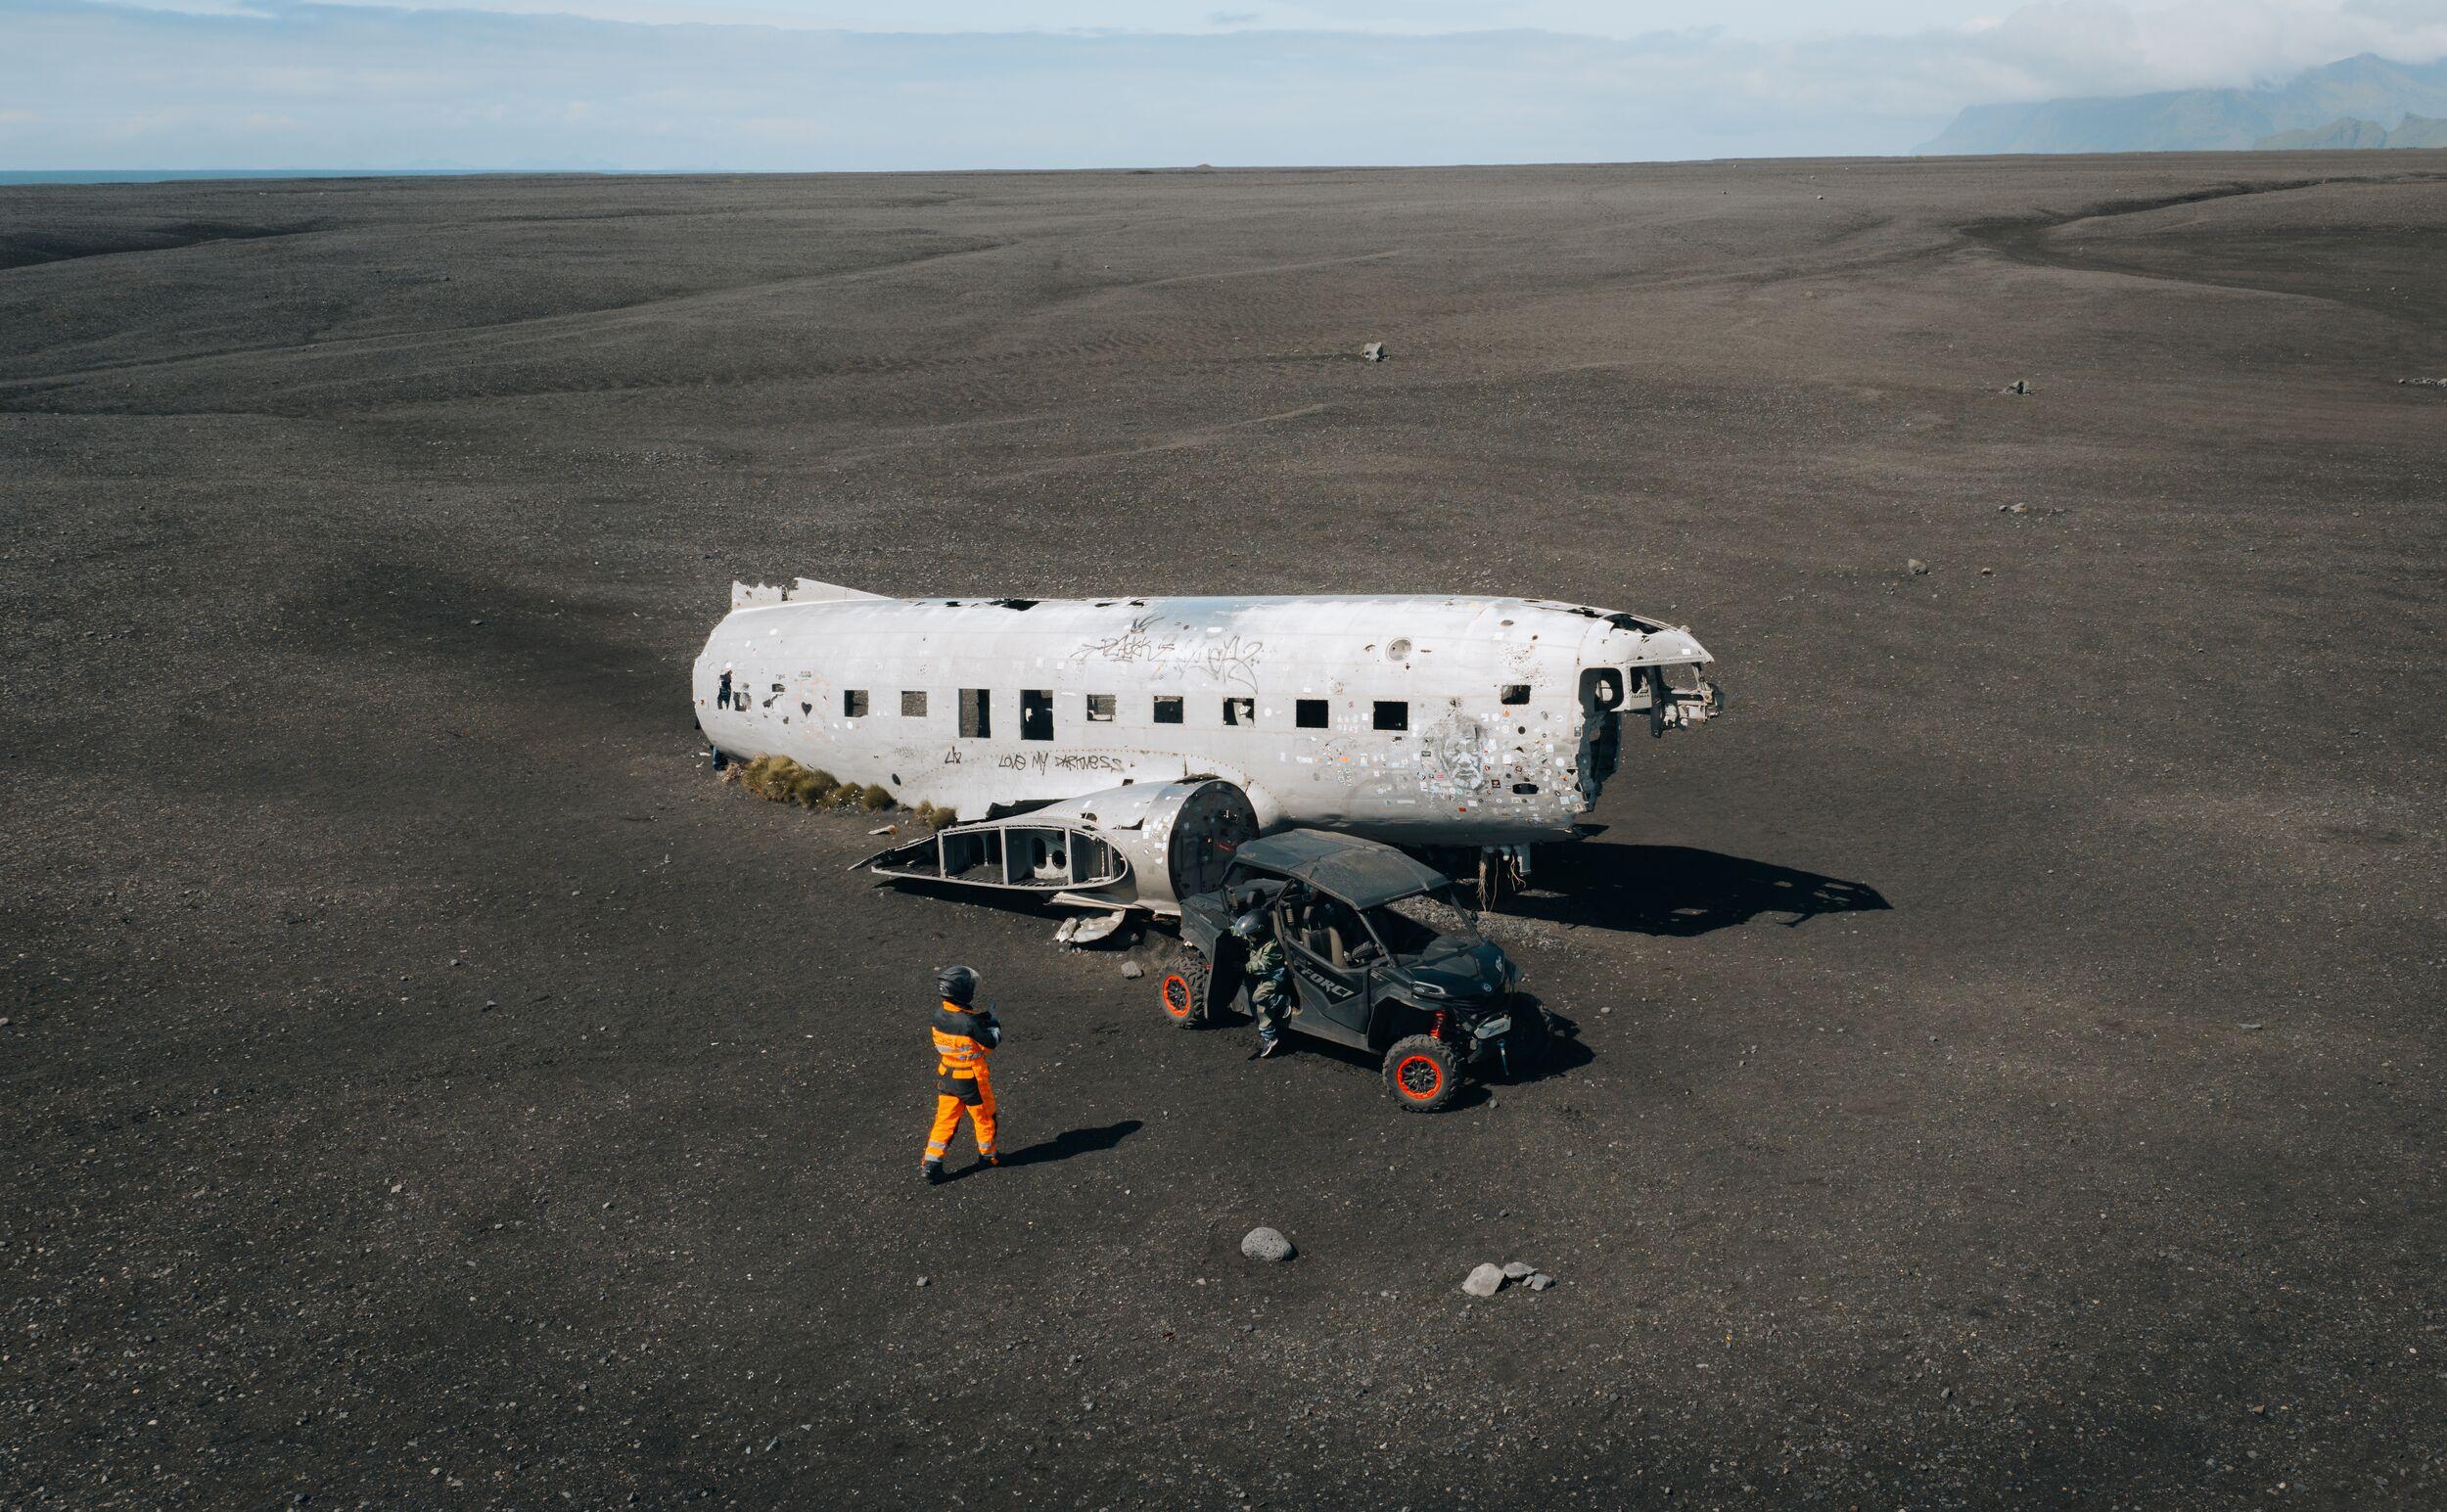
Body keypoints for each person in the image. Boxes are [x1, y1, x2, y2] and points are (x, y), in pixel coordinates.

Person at [922, 964, 1001, 1184]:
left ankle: (931, 1163)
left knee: (945, 1120)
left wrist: (979, 1019)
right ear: (963, 992)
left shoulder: (939, 1015)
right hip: (971, 1080)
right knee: (985, 1118)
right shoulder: (970, 1023)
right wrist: (994, 1024)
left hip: (947, 1075)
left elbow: (961, 1026)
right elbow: (990, 1043)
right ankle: (988, 1156)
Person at [1237, 909, 1293, 1060]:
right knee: (1260, 1003)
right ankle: (1269, 1034)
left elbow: (1260, 965)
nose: (1249, 937)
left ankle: (1283, 1002)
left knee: (1258, 997)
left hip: (1274, 977)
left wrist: (1243, 967)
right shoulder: (1259, 938)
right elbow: (1242, 934)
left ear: (1259, 932)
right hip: (1265, 976)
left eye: (1251, 935)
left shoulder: (1271, 948)